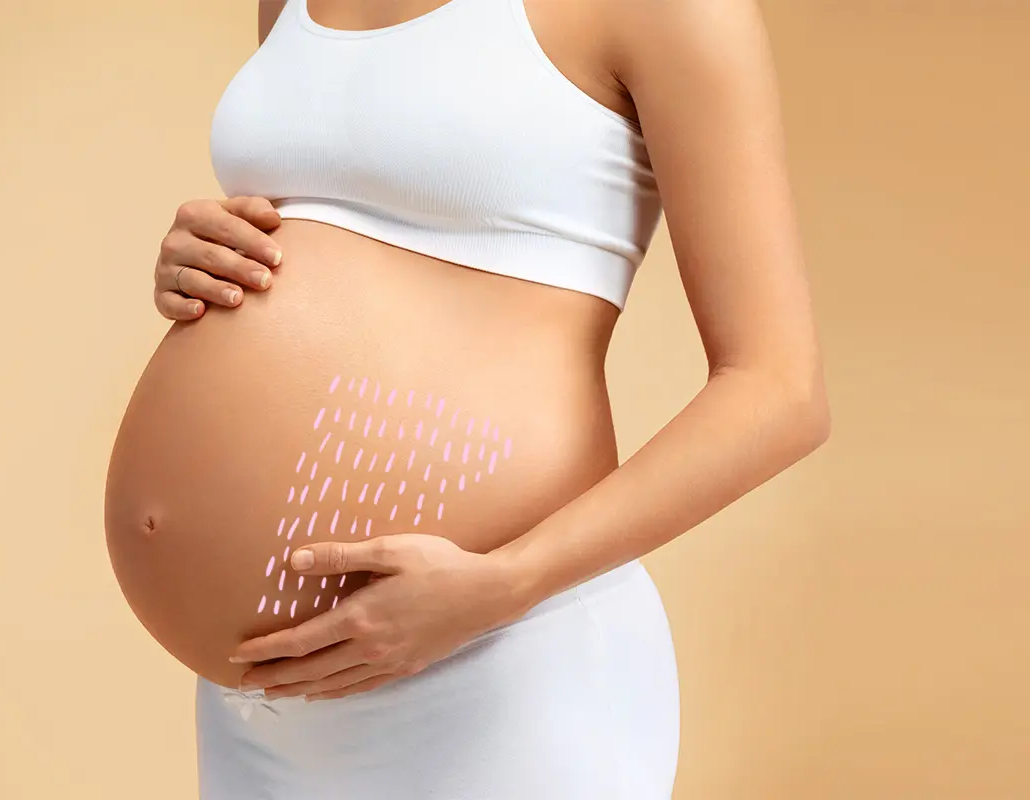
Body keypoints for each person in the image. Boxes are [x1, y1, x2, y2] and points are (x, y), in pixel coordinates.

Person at [116, 0, 830, 797]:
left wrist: (507, 583)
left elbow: (780, 389)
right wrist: (200, 259)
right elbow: (335, 241)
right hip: (261, 709)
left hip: (499, 662)